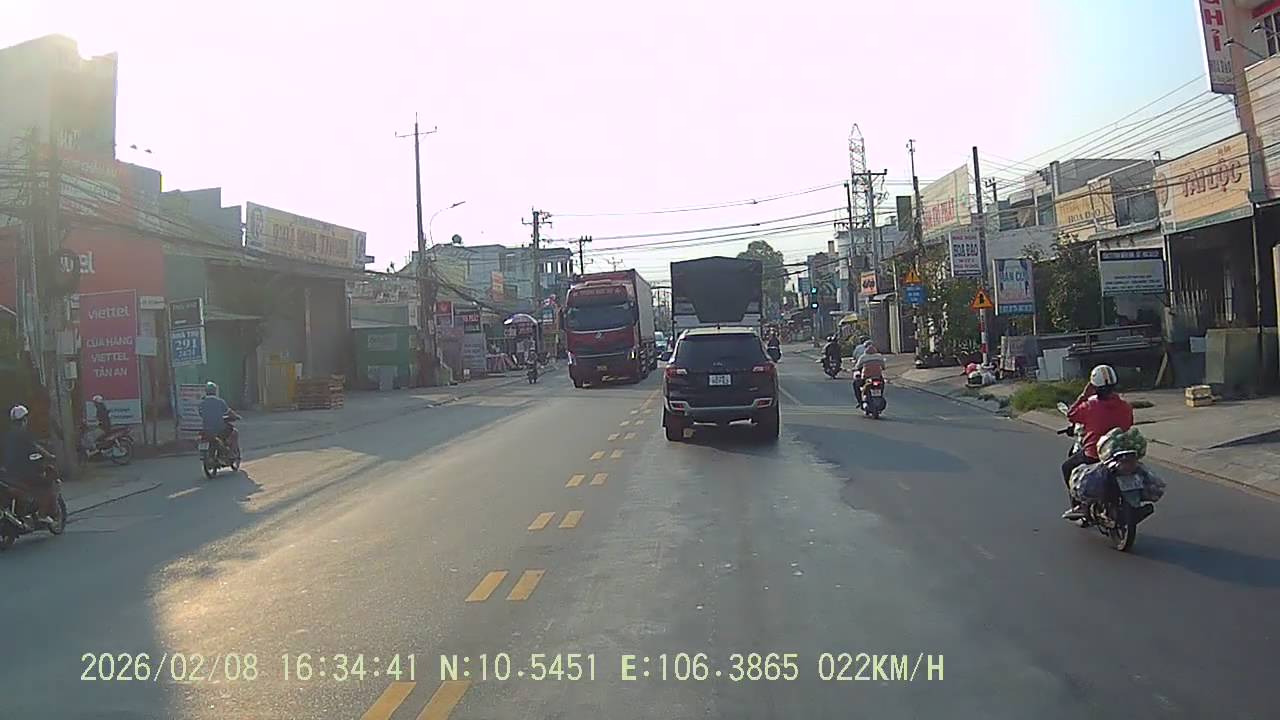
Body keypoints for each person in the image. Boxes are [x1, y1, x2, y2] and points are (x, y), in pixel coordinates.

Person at [1061, 364, 1134, 519]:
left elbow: (1071, 414)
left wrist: (1083, 395)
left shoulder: (1089, 406)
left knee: (1066, 467)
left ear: (1094, 387)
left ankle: (1079, 505)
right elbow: (1128, 425)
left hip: (1094, 454)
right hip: (1120, 451)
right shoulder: (1126, 406)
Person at [2, 405, 56, 524]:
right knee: (47, 485)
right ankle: (42, 514)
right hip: (24, 471)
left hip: (8, 472)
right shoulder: (24, 434)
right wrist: (50, 456)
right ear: (25, 419)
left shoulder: (7, 435)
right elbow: (36, 447)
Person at [198, 382, 239, 458]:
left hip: (206, 429)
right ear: (215, 391)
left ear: (206, 391)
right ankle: (231, 453)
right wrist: (236, 416)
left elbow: (200, 414)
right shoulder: (220, 401)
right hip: (219, 428)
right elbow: (229, 412)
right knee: (234, 432)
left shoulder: (201, 403)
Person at [852, 343, 887, 408]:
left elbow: (857, 366)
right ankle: (880, 395)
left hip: (866, 377)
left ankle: (860, 401)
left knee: (856, 384)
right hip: (878, 377)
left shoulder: (863, 357)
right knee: (882, 384)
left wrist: (855, 369)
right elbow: (883, 367)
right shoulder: (879, 356)